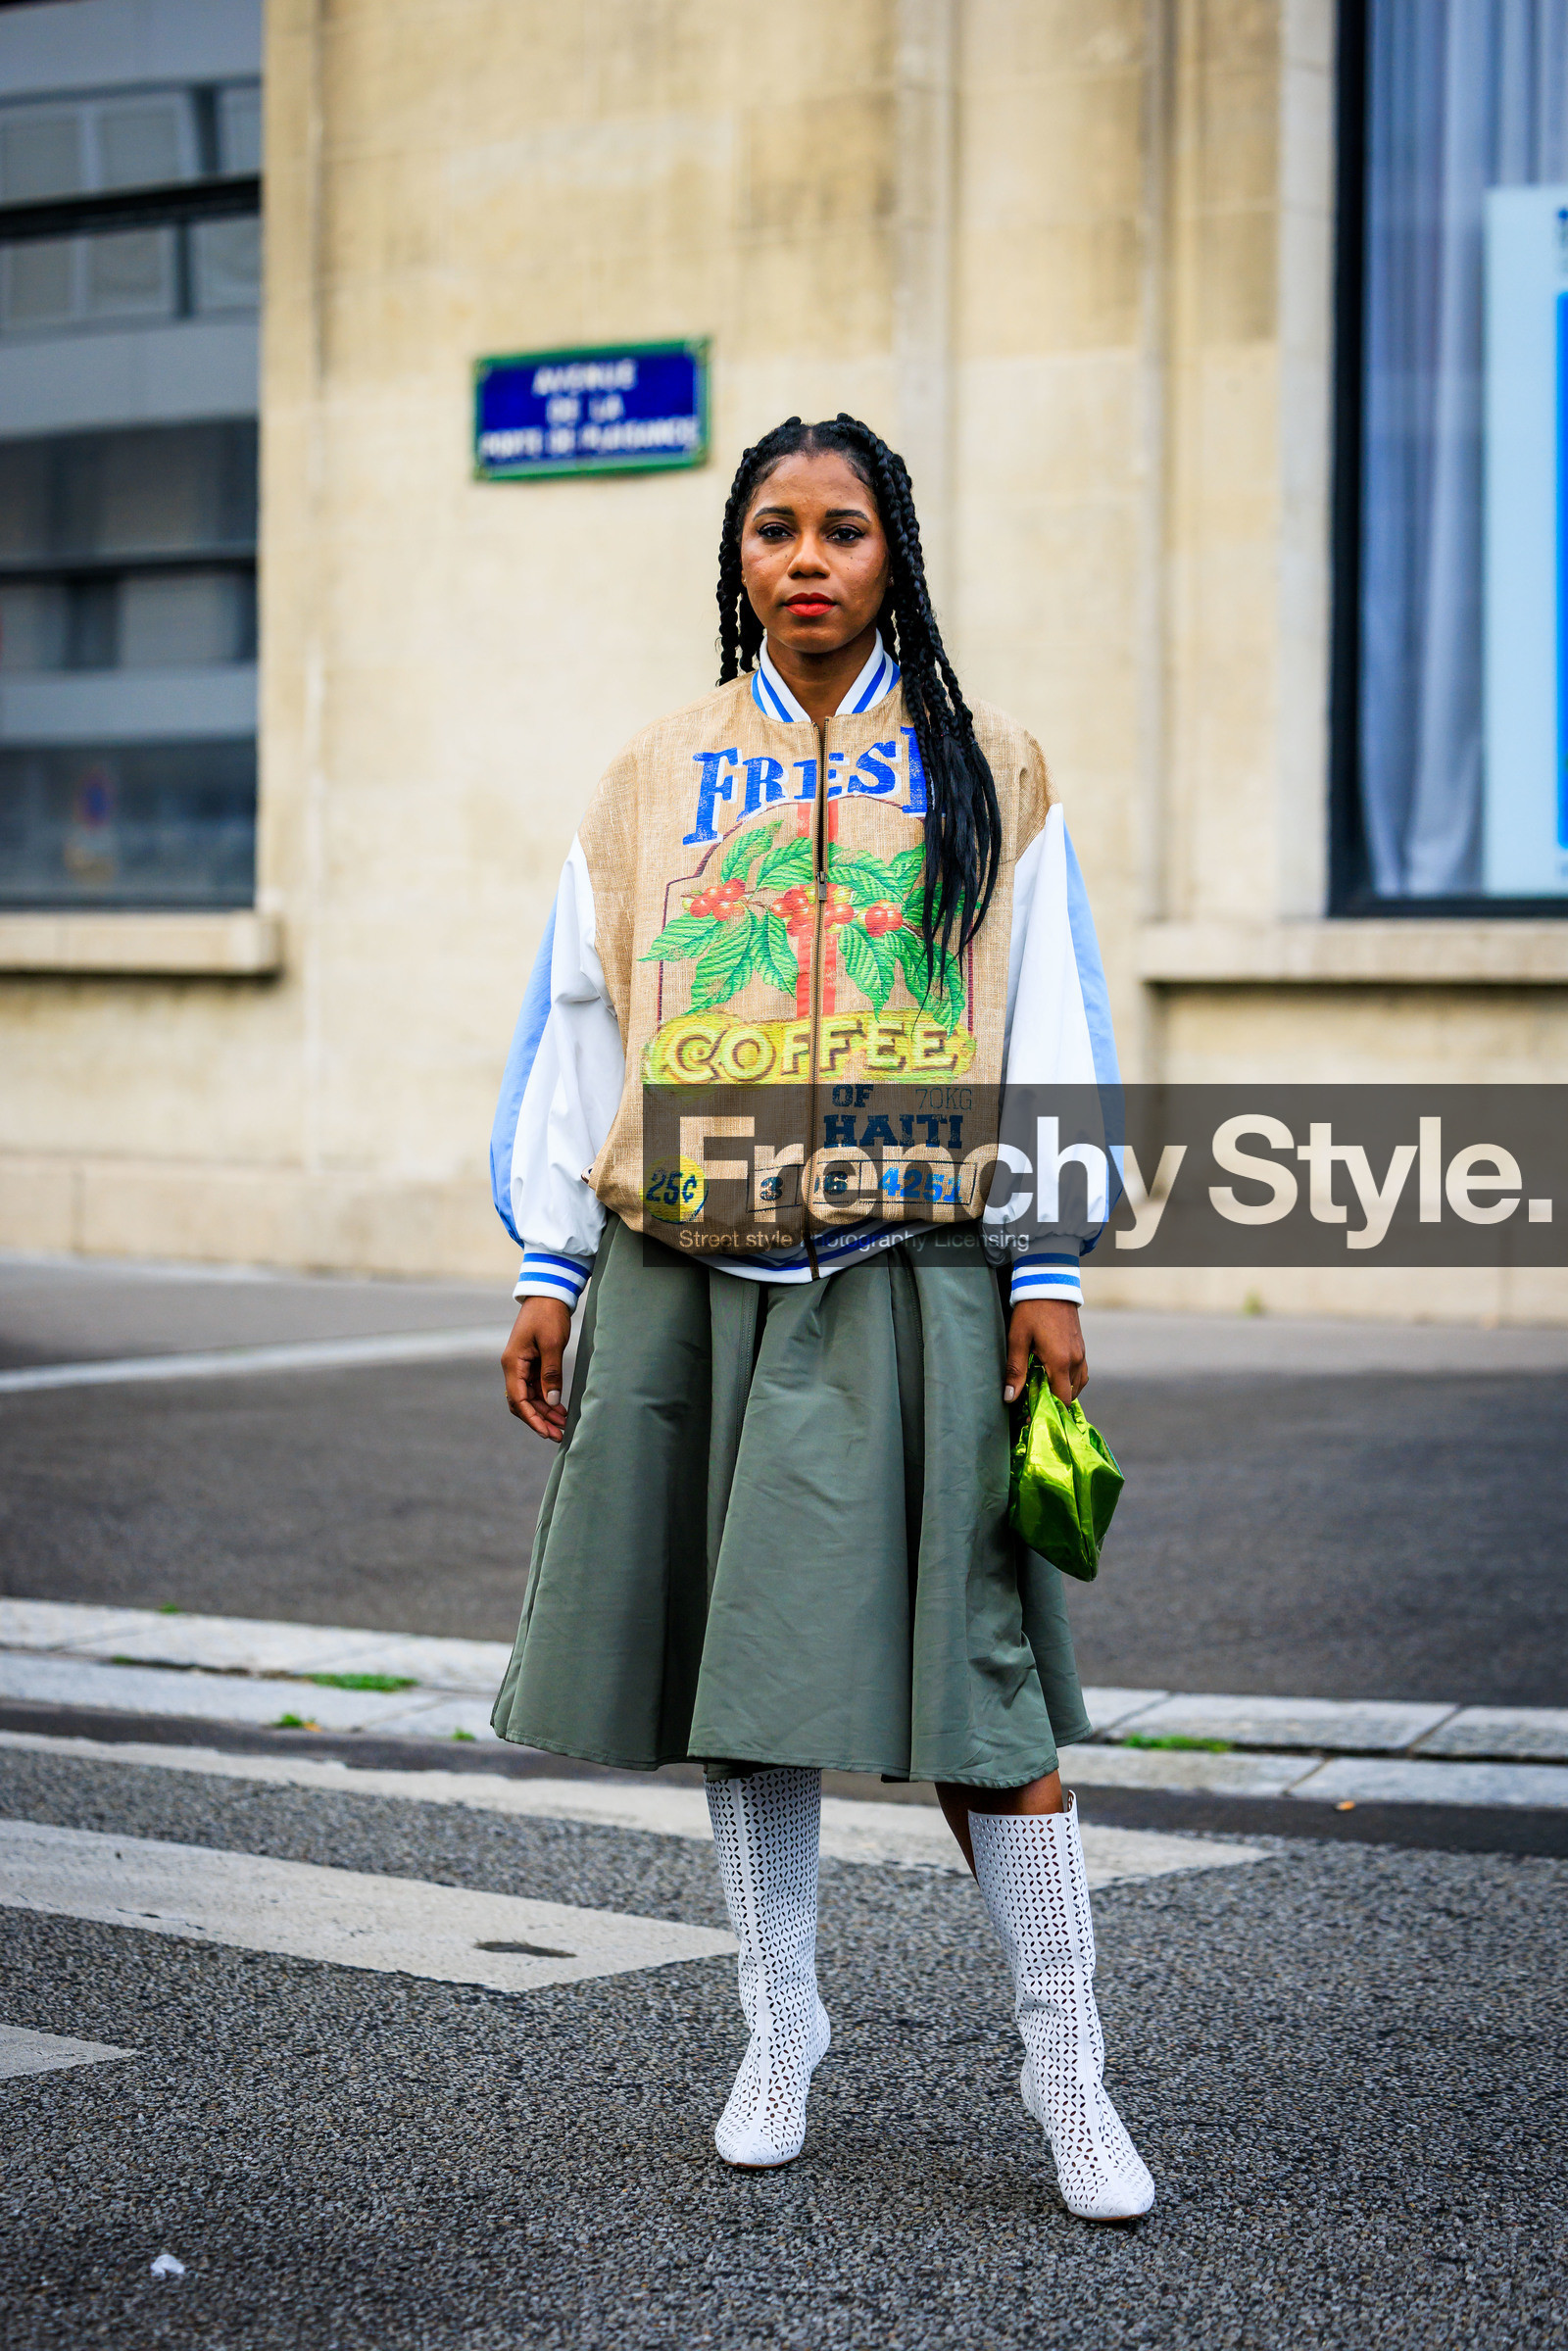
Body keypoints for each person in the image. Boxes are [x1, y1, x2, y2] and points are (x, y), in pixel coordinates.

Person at [488, 415, 1152, 2222]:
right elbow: (577, 1018)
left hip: (919, 1272)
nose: (806, 560)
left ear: (893, 558)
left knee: (987, 1705)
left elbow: (1053, 1027)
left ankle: (1069, 2079)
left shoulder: (988, 769)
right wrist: (553, 1261)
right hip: (694, 1277)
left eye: (842, 531)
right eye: (773, 530)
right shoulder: (649, 777)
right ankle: (781, 2033)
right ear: (738, 559)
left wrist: (1053, 1265)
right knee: (752, 1692)